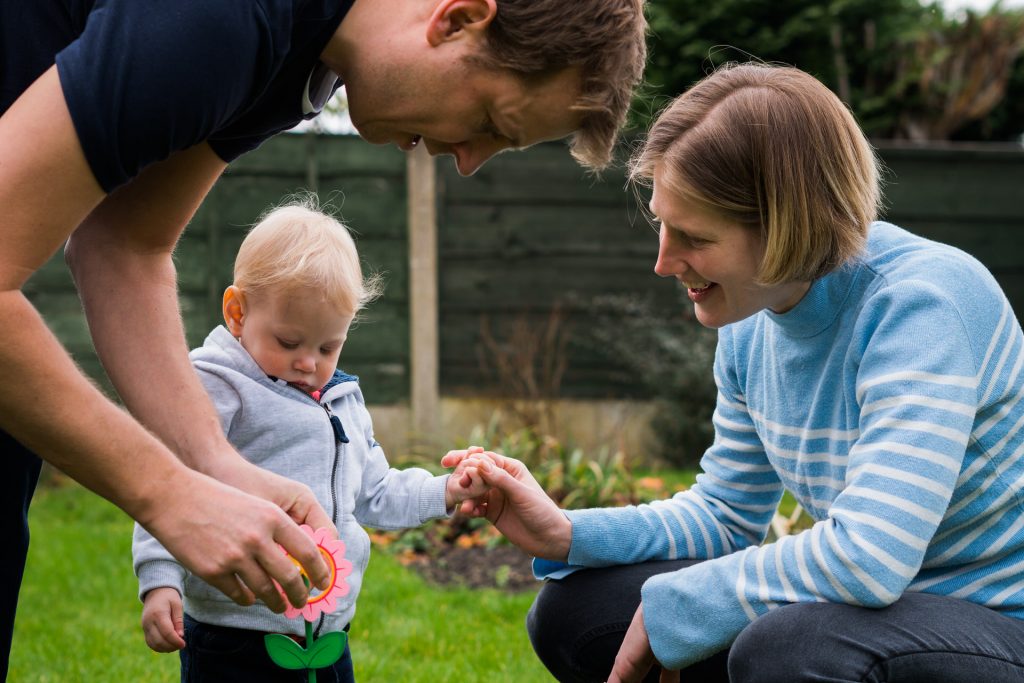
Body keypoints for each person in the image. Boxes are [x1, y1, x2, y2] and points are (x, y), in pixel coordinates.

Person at [0, 0, 647, 677]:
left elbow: (124, 243)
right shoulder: (230, 18)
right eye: (490, 122)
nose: (467, 163)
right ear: (457, 19)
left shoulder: (300, 59)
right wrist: (168, 492)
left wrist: (215, 467)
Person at [446, 63, 1024, 682]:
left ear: (787, 227)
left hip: (996, 620)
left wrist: (691, 602)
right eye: (660, 222)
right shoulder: (750, 320)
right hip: (876, 612)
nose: (664, 262)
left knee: (792, 651)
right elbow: (726, 515)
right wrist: (565, 532)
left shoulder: (922, 305)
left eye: (693, 236)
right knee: (578, 610)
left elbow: (870, 556)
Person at [133, 198, 489, 682]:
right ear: (237, 312)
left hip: (327, 635)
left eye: (328, 346)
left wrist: (445, 491)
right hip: (233, 631)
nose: (308, 362)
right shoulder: (218, 387)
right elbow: (172, 484)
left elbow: (376, 492)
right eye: (288, 342)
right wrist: (160, 580)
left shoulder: (342, 400)